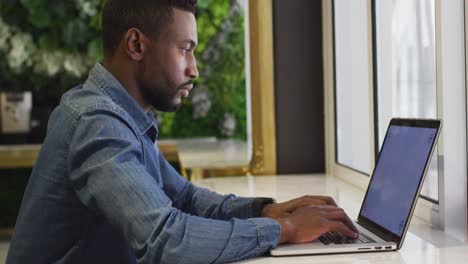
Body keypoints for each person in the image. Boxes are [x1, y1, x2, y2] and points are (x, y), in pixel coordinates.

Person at [6, 0, 358, 263]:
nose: (195, 69)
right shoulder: (97, 123)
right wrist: (286, 230)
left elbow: (184, 198)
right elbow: (165, 239)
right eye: (185, 50)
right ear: (136, 45)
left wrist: (266, 212)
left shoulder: (119, 114)